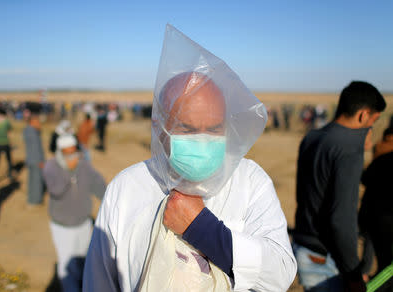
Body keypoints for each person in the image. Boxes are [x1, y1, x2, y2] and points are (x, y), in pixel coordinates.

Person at [84, 71, 297, 292]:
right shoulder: (127, 188)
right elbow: (99, 282)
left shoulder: (250, 181)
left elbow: (280, 274)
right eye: (187, 129)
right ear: (160, 129)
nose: (202, 142)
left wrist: (203, 229)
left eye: (214, 130)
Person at [293, 81, 386, 292]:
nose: (371, 129)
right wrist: (353, 273)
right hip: (328, 258)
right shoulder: (349, 150)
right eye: (374, 121)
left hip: (304, 248)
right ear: (363, 115)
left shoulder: (312, 137)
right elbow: (341, 219)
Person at [43, 134, 106, 292]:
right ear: (59, 153)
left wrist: (109, 199)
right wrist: (69, 171)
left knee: (81, 260)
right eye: (67, 153)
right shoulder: (51, 167)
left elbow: (98, 184)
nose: (72, 156)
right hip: (62, 226)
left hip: (83, 223)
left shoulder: (83, 165)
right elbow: (55, 189)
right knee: (66, 264)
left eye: (74, 152)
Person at [358, 126, 393, 276]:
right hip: (385, 215)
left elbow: (365, 178)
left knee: (371, 253)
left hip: (372, 210)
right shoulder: (386, 152)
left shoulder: (379, 148)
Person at [23, 114, 45, 205]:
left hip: (30, 159)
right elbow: (36, 148)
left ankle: (31, 199)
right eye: (37, 121)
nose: (39, 123)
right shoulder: (33, 132)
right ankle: (36, 200)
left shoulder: (26, 131)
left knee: (31, 180)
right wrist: (40, 161)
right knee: (36, 181)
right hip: (36, 160)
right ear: (32, 122)